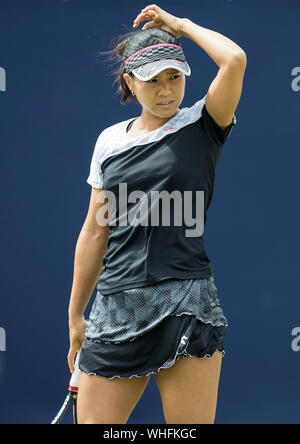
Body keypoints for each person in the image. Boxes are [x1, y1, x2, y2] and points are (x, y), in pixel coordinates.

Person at [67, 4, 247, 424]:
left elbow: (234, 59)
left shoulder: (204, 123)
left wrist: (181, 26)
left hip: (186, 301)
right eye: (153, 80)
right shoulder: (108, 142)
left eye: (175, 77)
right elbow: (95, 233)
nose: (167, 90)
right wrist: (76, 314)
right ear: (131, 82)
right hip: (115, 307)